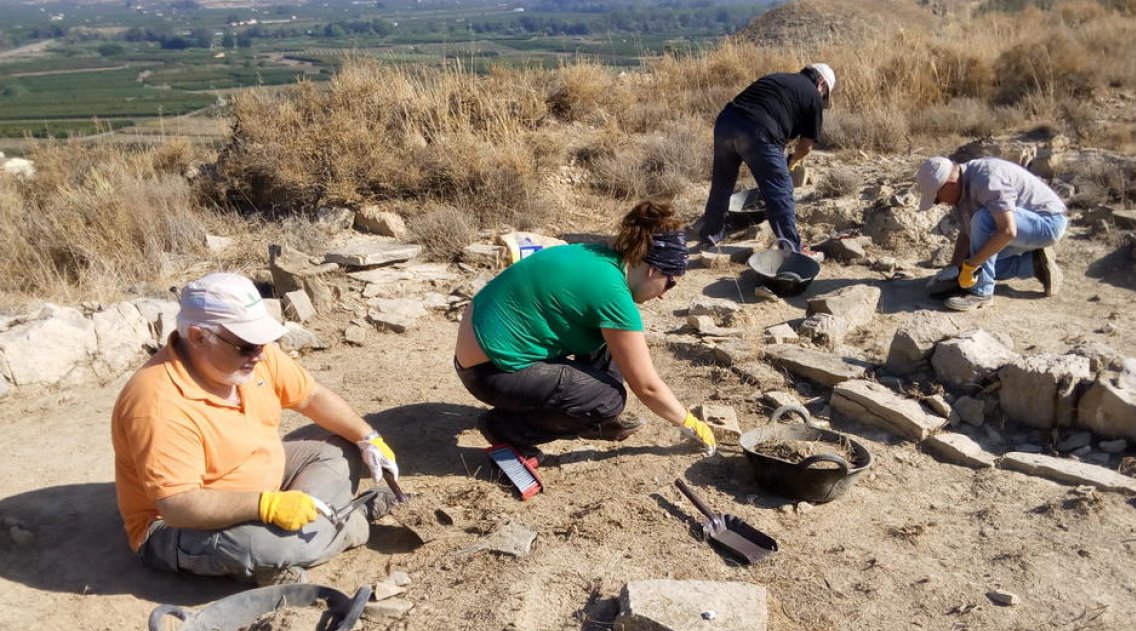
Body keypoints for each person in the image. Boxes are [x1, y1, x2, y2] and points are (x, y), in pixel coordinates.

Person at [112, 273, 401, 585]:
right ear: (197, 336)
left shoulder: (253, 356)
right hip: (181, 526)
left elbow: (312, 396)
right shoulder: (157, 404)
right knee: (266, 545)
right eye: (247, 346)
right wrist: (265, 505)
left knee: (343, 447)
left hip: (264, 477)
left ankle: (312, 529)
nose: (260, 354)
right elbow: (177, 506)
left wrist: (367, 437)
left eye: (263, 342)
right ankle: (349, 523)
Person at [455, 201, 718, 458]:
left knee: (613, 344)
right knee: (608, 400)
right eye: (669, 284)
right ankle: (507, 428)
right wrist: (690, 423)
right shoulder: (611, 293)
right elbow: (647, 386)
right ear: (652, 270)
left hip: (484, 351)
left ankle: (593, 420)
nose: (664, 296)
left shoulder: (600, 257)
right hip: (489, 372)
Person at [696, 63, 836, 253]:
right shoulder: (813, 97)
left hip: (726, 122)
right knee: (781, 188)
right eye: (824, 94)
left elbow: (778, 124)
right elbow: (806, 146)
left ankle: (710, 236)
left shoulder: (777, 79)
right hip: (757, 130)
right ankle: (791, 249)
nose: (822, 98)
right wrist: (792, 161)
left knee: (722, 182)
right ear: (821, 84)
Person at [916, 156, 1066, 312]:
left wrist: (971, 265)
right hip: (1023, 225)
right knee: (976, 266)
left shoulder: (986, 179)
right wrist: (955, 267)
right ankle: (1033, 263)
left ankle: (982, 293)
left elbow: (1007, 231)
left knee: (983, 219)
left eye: (937, 199)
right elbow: (966, 233)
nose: (939, 203)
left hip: (1049, 222)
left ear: (950, 183)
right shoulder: (961, 189)